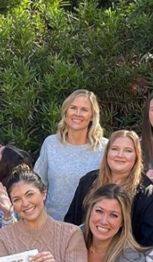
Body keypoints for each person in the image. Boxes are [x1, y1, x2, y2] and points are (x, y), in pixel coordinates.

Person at [64, 129, 153, 246]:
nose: (120, 155)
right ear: (107, 153)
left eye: (128, 151)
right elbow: (71, 222)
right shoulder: (88, 181)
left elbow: (150, 240)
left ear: (136, 156)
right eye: (115, 149)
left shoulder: (147, 193)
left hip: (128, 260)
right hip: (82, 253)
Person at [33, 89, 108, 220]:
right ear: (66, 111)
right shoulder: (50, 144)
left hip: (88, 227)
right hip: (51, 225)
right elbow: (37, 184)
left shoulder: (104, 148)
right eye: (73, 108)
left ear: (92, 116)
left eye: (84, 110)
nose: (78, 114)